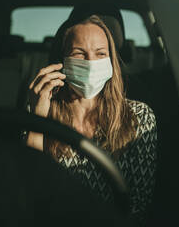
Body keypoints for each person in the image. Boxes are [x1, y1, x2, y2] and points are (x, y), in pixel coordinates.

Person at [25, 12, 157, 225]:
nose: (91, 62)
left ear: (111, 61)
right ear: (62, 61)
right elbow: (29, 190)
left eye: (100, 53)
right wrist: (38, 115)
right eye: (79, 54)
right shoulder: (41, 111)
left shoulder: (138, 117)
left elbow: (138, 207)